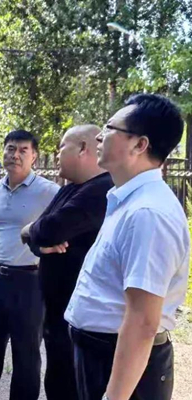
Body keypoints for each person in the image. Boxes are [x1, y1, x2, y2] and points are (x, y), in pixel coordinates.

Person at [65, 94, 190, 400]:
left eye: (109, 128)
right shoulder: (127, 200)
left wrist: (114, 396)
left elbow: (143, 321)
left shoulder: (148, 213)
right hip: (102, 354)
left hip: (121, 366)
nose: (99, 136)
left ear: (139, 145)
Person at [20, 125, 113, 400]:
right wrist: (34, 236)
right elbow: (40, 235)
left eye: (62, 147)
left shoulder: (101, 190)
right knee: (57, 380)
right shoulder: (70, 189)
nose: (57, 154)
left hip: (80, 319)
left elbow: (48, 229)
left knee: (71, 386)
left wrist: (32, 232)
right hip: (59, 313)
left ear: (83, 148)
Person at [0, 130, 59, 400]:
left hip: (31, 282)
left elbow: (65, 222)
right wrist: (4, 239)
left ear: (34, 157)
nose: (15, 155)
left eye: (23, 150)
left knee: (26, 352)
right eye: (10, 149)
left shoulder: (48, 191)